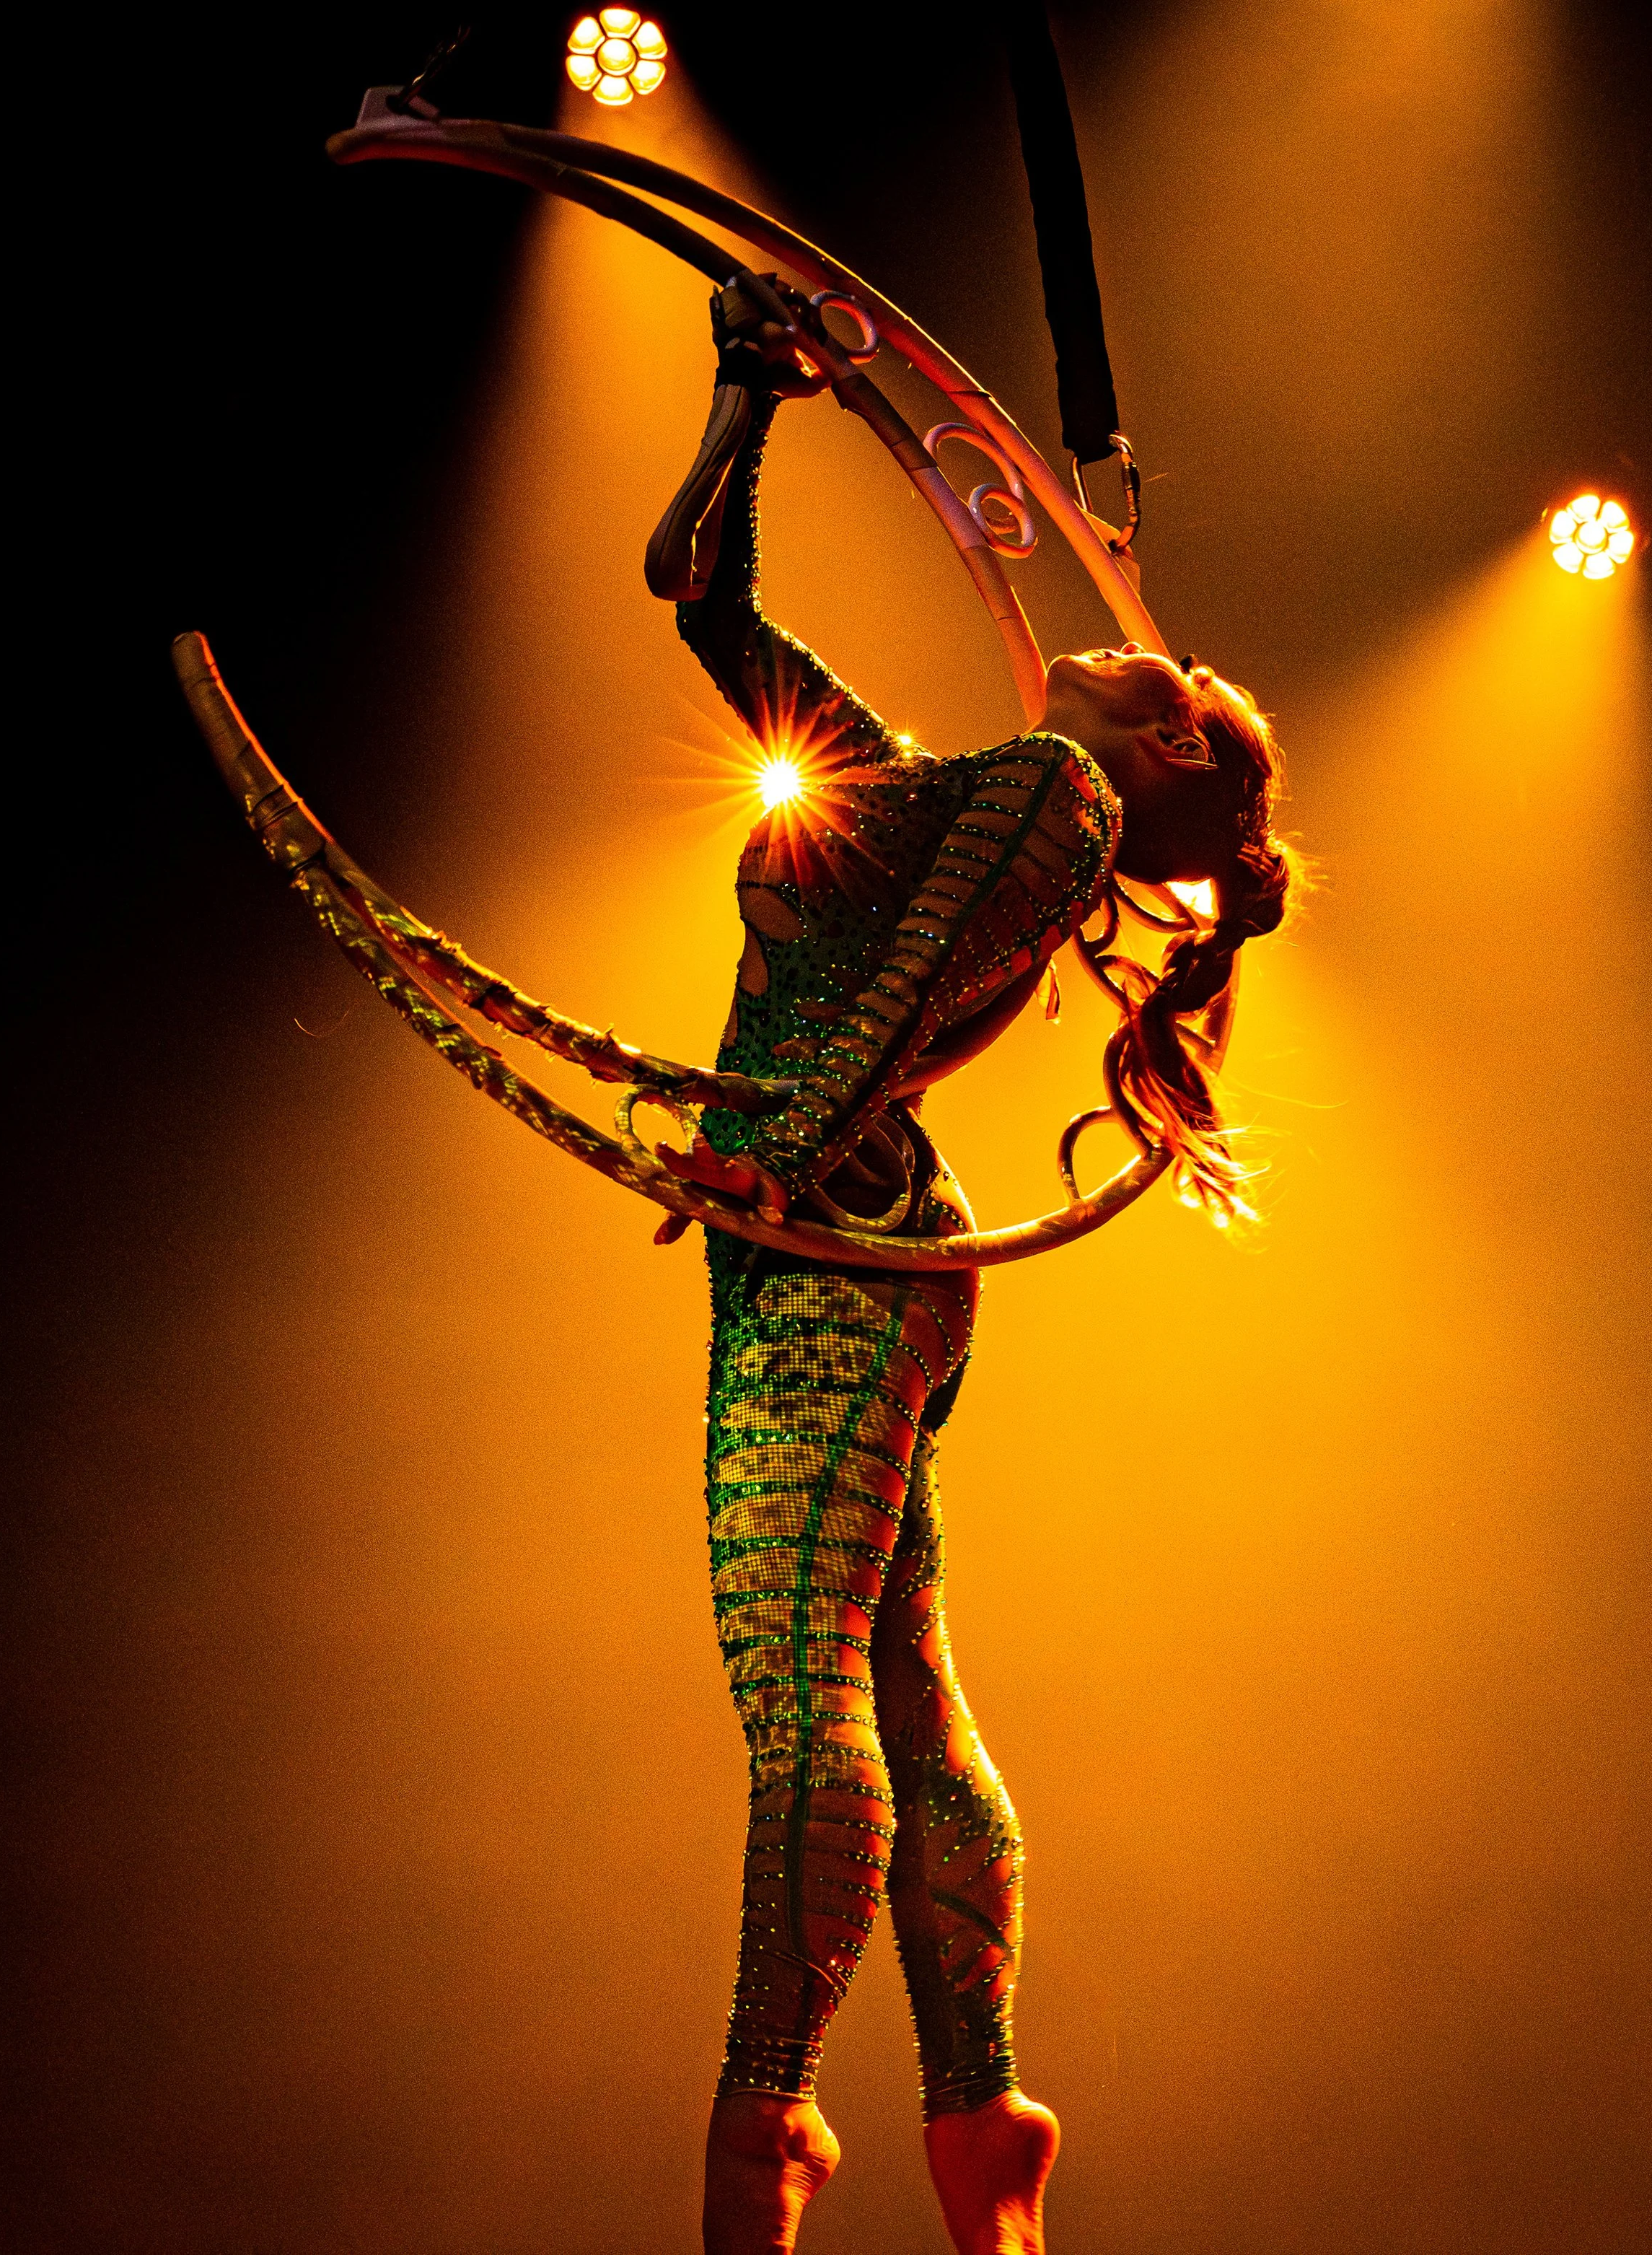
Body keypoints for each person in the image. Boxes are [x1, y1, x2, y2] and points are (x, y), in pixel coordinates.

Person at [643, 287, 1298, 2255]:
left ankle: (766, 2119)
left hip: (831, 1230)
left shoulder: (1056, 794)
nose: (1119, 632)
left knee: (805, 1679)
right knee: (898, 1685)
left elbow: (905, 982)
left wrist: (773, 1151)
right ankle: (980, 2135)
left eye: (1157, 665)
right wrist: (746, 396)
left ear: (1160, 737)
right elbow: (701, 603)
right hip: (846, 1228)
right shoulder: (962, 790)